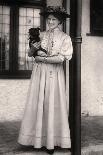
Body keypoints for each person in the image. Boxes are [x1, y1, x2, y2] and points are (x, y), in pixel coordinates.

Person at [18, 6, 73, 154]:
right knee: (38, 103)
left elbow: (61, 58)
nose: (50, 21)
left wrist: (40, 57)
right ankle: (39, 140)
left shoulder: (65, 38)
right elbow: (30, 54)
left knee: (52, 104)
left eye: (54, 19)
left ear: (60, 21)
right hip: (38, 74)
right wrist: (33, 49)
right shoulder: (40, 35)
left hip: (54, 74)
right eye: (48, 19)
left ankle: (52, 141)